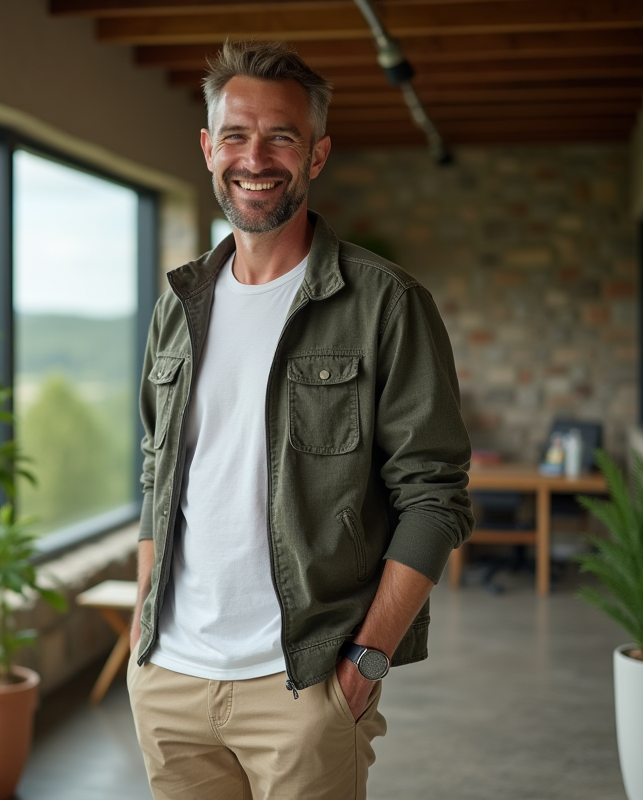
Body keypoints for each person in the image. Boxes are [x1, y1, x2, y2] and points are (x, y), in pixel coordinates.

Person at [127, 40, 474, 800]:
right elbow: (158, 464)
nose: (257, 157)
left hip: (305, 684)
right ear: (208, 149)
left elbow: (434, 495)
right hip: (172, 683)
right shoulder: (176, 309)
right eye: (236, 135)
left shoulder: (386, 303)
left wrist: (367, 661)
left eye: (282, 135)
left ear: (317, 155)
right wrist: (142, 635)